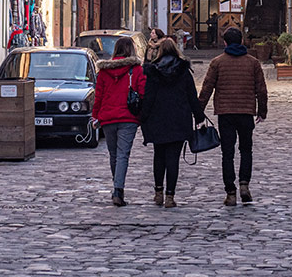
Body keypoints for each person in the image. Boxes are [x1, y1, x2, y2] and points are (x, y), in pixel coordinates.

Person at [199, 26, 268, 206]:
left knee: (227, 153)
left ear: (225, 42)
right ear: (242, 41)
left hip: (225, 113)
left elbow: (207, 88)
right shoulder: (253, 63)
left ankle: (230, 192)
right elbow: (261, 89)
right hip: (246, 112)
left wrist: (198, 111)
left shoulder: (217, 62)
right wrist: (262, 111)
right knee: (246, 150)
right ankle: (244, 184)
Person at [140, 38, 203, 208]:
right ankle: (170, 196)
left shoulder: (153, 71)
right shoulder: (183, 71)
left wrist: (142, 117)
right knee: (172, 159)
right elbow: (192, 96)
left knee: (159, 156)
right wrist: (199, 117)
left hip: (158, 119)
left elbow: (149, 97)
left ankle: (158, 192)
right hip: (178, 119)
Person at [92, 36, 146, 207]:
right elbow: (143, 92)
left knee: (114, 155)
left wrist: (95, 116)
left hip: (107, 117)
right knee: (123, 155)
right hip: (128, 118)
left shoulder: (104, 71)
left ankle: (117, 187)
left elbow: (98, 96)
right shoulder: (136, 70)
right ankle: (118, 190)